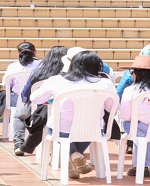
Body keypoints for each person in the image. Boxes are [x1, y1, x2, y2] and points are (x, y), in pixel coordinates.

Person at [30, 51, 116, 179]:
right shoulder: (106, 83)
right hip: (93, 129)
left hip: (61, 129)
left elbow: (35, 98)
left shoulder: (57, 80)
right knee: (86, 129)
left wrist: (51, 97)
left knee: (54, 128)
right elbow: (113, 107)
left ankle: (73, 156)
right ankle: (74, 156)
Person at [15, 46, 68, 156]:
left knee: (19, 116)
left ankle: (19, 142)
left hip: (39, 108)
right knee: (44, 114)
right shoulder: (71, 75)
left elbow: (26, 95)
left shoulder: (38, 72)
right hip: (65, 112)